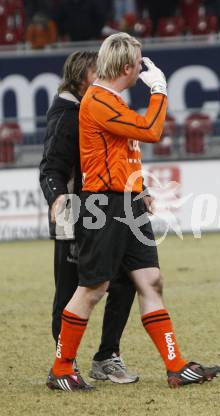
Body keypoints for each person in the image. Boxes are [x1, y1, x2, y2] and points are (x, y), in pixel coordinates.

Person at [46, 32, 220, 392]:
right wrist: (160, 91)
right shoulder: (98, 100)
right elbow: (151, 130)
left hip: (127, 204)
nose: (143, 67)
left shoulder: (110, 100)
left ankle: (176, 366)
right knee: (93, 288)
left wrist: (139, 189)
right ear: (127, 66)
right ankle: (61, 368)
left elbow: (122, 153)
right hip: (103, 205)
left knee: (150, 279)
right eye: (139, 61)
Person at [40, 50, 139, 384]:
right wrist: (56, 200)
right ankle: (65, 365)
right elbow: (51, 166)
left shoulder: (93, 108)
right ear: (81, 76)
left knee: (125, 279)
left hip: (104, 209)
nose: (105, 75)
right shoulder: (67, 114)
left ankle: (107, 356)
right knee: (71, 289)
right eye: (98, 71)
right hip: (74, 212)